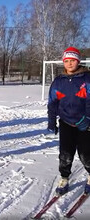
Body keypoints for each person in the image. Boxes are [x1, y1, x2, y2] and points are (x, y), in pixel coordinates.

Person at [47, 46, 90, 195]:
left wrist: (88, 119)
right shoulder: (59, 81)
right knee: (65, 154)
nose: (70, 63)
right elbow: (52, 102)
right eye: (67, 61)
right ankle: (64, 177)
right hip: (66, 122)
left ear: (78, 61)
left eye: (73, 60)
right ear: (63, 62)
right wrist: (51, 121)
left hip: (85, 124)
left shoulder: (87, 78)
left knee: (86, 154)